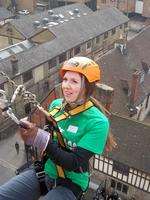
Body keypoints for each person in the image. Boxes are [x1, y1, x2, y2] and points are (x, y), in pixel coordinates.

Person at [0, 56, 111, 200]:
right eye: (65, 80)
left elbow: (73, 162)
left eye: (74, 81)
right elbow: (49, 139)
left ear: (88, 87)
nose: (66, 85)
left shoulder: (98, 122)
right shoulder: (56, 106)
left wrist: (39, 137)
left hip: (72, 183)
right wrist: (29, 133)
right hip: (46, 170)